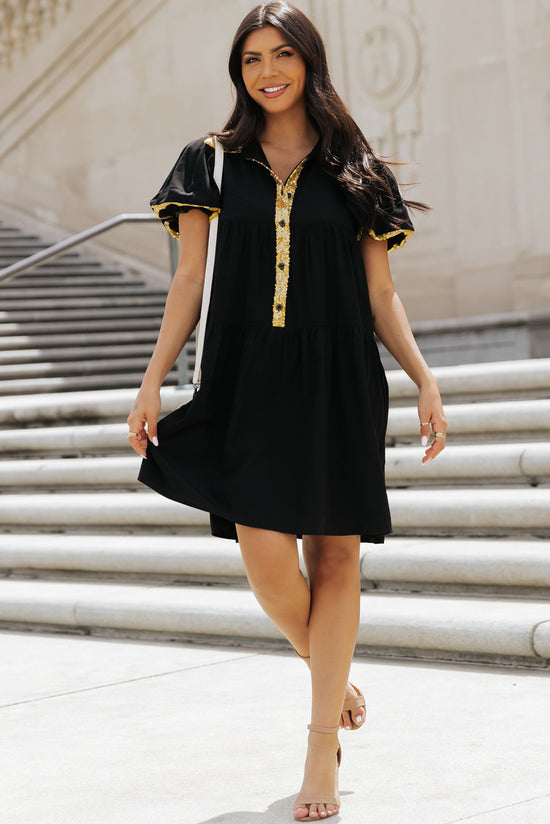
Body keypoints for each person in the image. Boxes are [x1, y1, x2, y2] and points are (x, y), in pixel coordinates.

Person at [127, 2, 447, 819]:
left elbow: (382, 292)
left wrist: (423, 378)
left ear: (309, 59)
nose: (267, 72)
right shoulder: (208, 161)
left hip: (339, 374)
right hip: (245, 377)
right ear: (238, 72)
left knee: (336, 558)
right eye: (250, 60)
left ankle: (319, 754)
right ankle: (332, 676)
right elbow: (189, 281)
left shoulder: (359, 170)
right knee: (270, 567)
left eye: (281, 56)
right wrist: (153, 377)